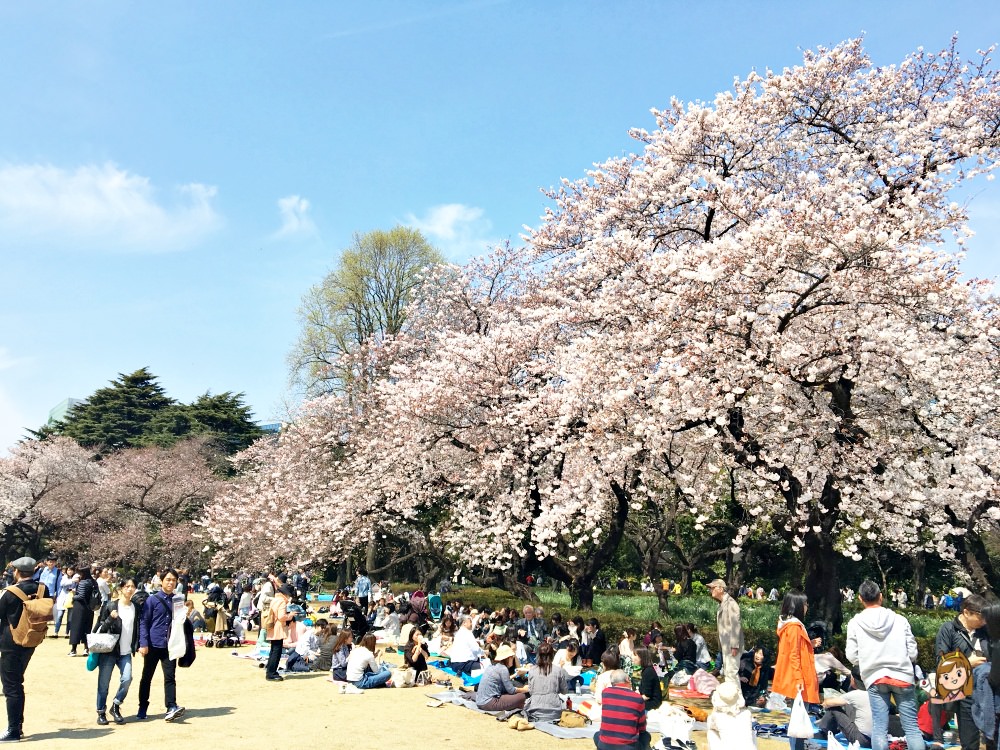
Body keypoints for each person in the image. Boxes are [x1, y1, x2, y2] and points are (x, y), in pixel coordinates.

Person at [845, 581, 923, 750]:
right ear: (880, 597)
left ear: (860, 599)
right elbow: (913, 652)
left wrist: (867, 661)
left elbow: (851, 655)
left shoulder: (855, 622)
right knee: (911, 728)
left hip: (875, 677)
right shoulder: (900, 620)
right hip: (902, 676)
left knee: (879, 728)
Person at [928, 592, 988, 750]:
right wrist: (968, 663)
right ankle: (938, 738)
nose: (984, 621)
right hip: (964, 690)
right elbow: (941, 664)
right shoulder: (949, 630)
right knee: (970, 740)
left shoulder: (986, 632)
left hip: (986, 688)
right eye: (981, 617)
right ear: (966, 612)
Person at [0, 556, 49, 742]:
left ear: (17, 572)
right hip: (32, 640)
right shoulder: (43, 589)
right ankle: (17, 726)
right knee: (16, 682)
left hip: (10, 643)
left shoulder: (11, 591)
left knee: (11, 687)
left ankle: (13, 730)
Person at [137, 568, 185, 722]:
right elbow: (144, 622)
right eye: (168, 579)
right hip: (152, 644)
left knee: (170, 677)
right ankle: (143, 706)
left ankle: (171, 706)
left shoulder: (178, 600)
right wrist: (143, 643)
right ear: (162, 581)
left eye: (173, 580)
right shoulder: (152, 599)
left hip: (169, 645)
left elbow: (178, 623)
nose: (171, 582)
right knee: (147, 677)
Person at [773, 590, 819, 750]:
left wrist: (809, 644)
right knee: (799, 718)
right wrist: (799, 679)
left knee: (798, 717)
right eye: (805, 604)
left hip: (798, 676)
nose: (807, 607)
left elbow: (795, 650)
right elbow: (794, 654)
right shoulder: (793, 627)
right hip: (800, 678)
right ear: (798, 605)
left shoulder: (790, 625)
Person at [93, 577, 140, 726]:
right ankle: (101, 712)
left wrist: (137, 644)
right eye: (127, 586)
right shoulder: (110, 606)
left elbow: (137, 628)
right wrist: (110, 619)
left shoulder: (135, 607)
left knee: (127, 679)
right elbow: (100, 628)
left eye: (132, 587)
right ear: (120, 589)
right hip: (110, 651)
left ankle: (116, 705)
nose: (130, 589)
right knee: (103, 684)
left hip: (126, 651)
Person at [593, 669, 651, 750]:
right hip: (628, 747)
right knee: (646, 736)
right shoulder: (637, 698)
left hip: (605, 746)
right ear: (627, 680)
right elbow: (642, 728)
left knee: (597, 735)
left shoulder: (605, 693)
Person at [816, 667, 873, 748]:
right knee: (848, 705)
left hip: (861, 740)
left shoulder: (855, 694)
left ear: (853, 679)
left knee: (834, 708)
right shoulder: (877, 694)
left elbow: (827, 703)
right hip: (877, 738)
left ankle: (825, 731)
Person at [470, 643, 527, 711]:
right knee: (521, 696)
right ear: (507, 658)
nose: (513, 658)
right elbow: (511, 690)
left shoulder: (492, 666)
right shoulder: (503, 669)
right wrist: (524, 689)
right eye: (512, 657)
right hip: (489, 702)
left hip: (480, 701)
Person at [709, 578, 744, 684]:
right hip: (726, 646)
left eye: (712, 588)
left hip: (732, 647)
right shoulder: (722, 603)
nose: (710, 590)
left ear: (720, 588)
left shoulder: (731, 603)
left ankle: (736, 700)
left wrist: (734, 646)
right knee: (729, 674)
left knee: (731, 675)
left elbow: (735, 625)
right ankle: (734, 699)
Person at [525, 642, 567, 723]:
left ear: (538, 655)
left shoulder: (532, 670)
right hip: (555, 712)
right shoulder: (558, 670)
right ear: (552, 655)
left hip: (534, 712)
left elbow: (531, 691)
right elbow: (564, 691)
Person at [264, 583, 295, 682]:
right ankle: (271, 673)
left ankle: (270, 671)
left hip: (273, 627)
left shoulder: (275, 599)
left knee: (273, 650)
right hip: (278, 628)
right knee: (276, 652)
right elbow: (281, 616)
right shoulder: (282, 601)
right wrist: (290, 615)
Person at [68, 565, 98, 657]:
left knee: (76, 628)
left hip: (79, 607)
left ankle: (73, 649)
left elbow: (81, 596)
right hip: (89, 608)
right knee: (87, 628)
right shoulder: (93, 582)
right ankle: (86, 649)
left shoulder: (83, 583)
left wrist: (73, 596)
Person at [635, 647, 662, 711]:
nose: (632, 657)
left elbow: (647, 696)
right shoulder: (646, 670)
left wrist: (633, 700)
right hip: (647, 701)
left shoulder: (648, 672)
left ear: (641, 657)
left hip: (652, 704)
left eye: (635, 655)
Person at [52, 564, 75, 638]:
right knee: (59, 616)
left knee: (70, 618)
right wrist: (72, 581)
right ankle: (56, 632)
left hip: (71, 598)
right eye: (68, 570)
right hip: (62, 598)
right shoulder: (63, 577)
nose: (69, 571)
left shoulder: (76, 577)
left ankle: (67, 633)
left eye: (71, 570)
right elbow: (62, 583)